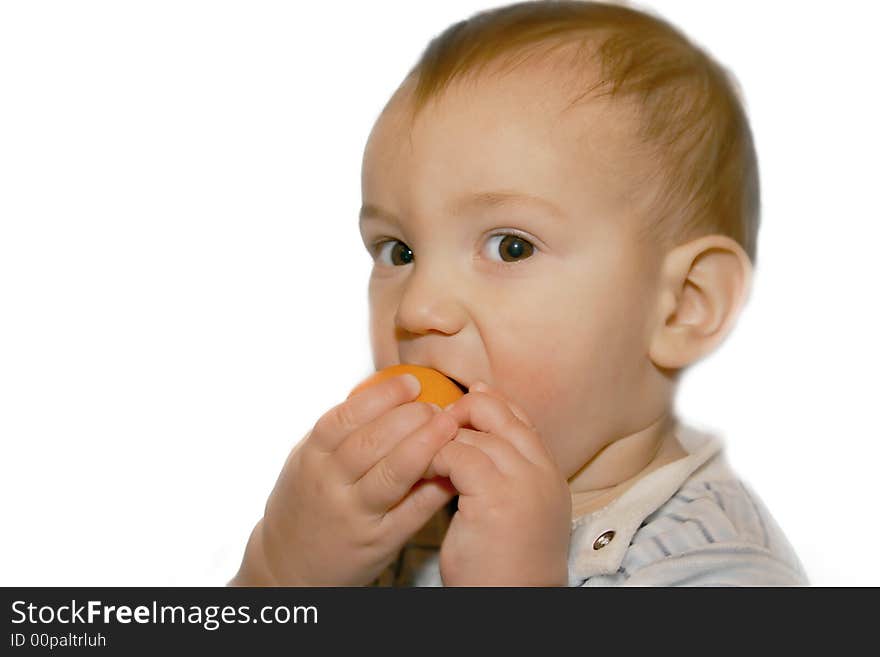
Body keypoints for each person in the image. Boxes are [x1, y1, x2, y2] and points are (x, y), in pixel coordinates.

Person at [230, 0, 808, 586]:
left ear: (685, 304)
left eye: (511, 246)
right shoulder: (394, 518)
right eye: (398, 251)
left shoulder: (719, 566)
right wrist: (279, 572)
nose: (417, 309)